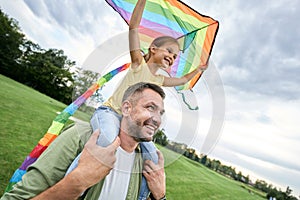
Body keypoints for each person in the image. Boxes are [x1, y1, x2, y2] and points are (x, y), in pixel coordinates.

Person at [67, 0, 206, 198]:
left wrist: (198, 70)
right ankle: (72, 183)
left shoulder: (159, 79)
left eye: (175, 56)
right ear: (153, 49)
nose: (172, 57)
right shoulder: (138, 64)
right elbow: (133, 28)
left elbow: (182, 79)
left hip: (132, 123)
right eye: (169, 51)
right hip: (112, 113)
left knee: (152, 159)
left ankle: (139, 197)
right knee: (106, 139)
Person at [1, 82, 167, 200]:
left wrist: (160, 196)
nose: (156, 119)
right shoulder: (80, 137)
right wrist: (77, 182)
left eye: (160, 112)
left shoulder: (146, 164)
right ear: (126, 108)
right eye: (150, 108)